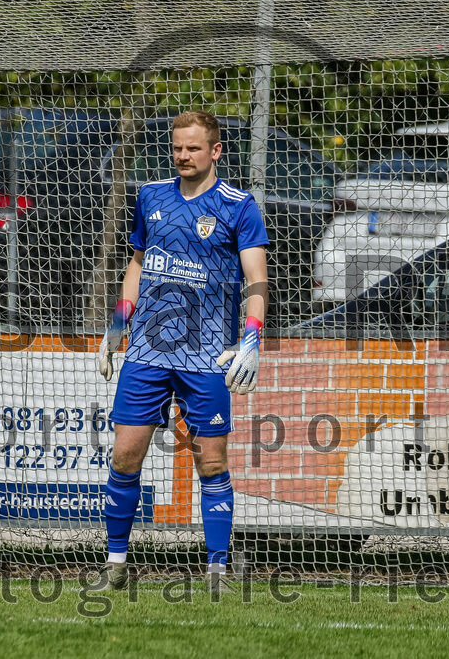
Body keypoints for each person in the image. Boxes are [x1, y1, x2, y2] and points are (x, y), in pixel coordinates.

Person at [97, 110, 268, 592]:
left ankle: (216, 568)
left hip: (207, 356)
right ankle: (115, 562)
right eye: (177, 147)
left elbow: (257, 280)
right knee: (126, 455)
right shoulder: (150, 196)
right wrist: (117, 324)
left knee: (210, 461)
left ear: (215, 151)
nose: (183, 156)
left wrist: (251, 337)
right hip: (148, 352)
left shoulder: (239, 206)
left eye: (193, 148)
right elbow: (137, 264)